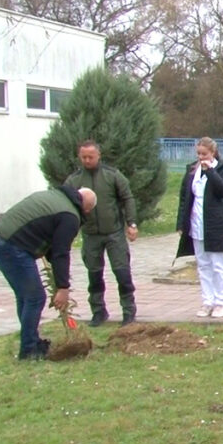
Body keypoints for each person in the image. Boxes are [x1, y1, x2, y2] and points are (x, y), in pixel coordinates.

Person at [0, 185, 97, 360]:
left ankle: (31, 342)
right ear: (88, 209)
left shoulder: (56, 197)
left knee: (26, 296)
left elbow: (50, 244)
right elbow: (61, 252)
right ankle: (29, 350)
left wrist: (60, 279)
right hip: (12, 248)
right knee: (35, 297)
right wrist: (62, 288)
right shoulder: (70, 216)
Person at [63, 140, 138, 326]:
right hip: (90, 235)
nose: (87, 160)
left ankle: (128, 311)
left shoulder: (112, 175)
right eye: (83, 157)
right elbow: (66, 206)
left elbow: (127, 198)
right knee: (94, 275)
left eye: (91, 157)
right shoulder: (74, 180)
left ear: (99, 156)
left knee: (122, 272)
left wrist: (132, 223)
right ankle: (98, 311)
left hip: (114, 233)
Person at [175, 137, 223, 318]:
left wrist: (210, 171)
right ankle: (207, 301)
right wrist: (181, 223)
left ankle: (221, 302)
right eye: (199, 154)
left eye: (205, 154)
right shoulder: (192, 169)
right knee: (203, 265)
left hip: (216, 224)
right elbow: (184, 197)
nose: (201, 157)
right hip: (196, 222)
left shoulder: (222, 167)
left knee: (218, 264)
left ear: (213, 153)